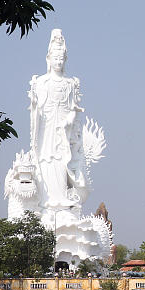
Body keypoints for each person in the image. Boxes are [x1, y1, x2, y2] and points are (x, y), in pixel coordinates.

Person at [28, 29, 87, 212]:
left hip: (63, 132)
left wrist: (69, 120)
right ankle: (46, 204)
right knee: (46, 161)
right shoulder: (42, 82)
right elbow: (37, 111)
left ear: (65, 60)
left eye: (61, 59)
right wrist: (35, 103)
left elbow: (73, 110)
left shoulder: (70, 83)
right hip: (46, 132)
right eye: (55, 58)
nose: (58, 62)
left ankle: (61, 201)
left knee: (62, 163)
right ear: (49, 59)